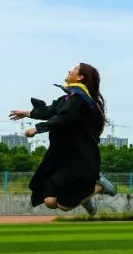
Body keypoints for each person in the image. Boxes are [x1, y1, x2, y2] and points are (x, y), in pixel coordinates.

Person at [9, 63, 115, 215]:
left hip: (75, 156)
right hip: (59, 155)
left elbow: (63, 118)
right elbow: (50, 111)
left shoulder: (80, 99)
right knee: (50, 202)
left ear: (80, 77)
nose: (69, 70)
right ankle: (84, 196)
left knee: (64, 206)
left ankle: (98, 186)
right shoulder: (68, 98)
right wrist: (26, 113)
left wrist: (37, 129)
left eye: (73, 69)